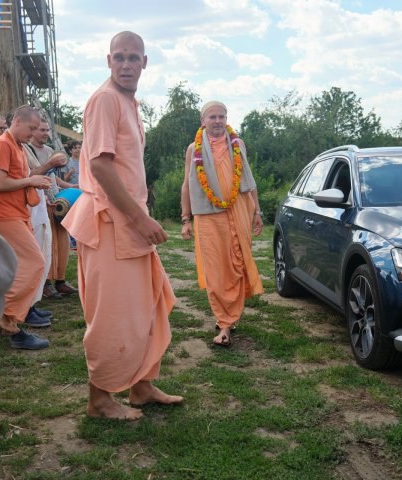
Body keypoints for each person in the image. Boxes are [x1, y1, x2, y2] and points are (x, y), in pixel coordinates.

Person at [62, 31, 183, 420]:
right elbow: (99, 165)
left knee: (150, 305)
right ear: (108, 61)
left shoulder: (129, 102)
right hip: (110, 223)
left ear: (144, 63)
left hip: (127, 223)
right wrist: (140, 217)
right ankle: (99, 400)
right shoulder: (105, 99)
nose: (126, 64)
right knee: (113, 315)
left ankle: (141, 387)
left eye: (133, 58)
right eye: (119, 57)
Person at [181, 101, 264, 347]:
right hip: (208, 215)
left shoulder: (238, 144)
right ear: (203, 121)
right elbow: (187, 184)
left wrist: (257, 212)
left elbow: (249, 181)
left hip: (239, 210)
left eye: (222, 116)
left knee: (236, 264)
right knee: (215, 269)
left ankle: (230, 317)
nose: (218, 121)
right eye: (213, 117)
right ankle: (224, 321)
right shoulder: (193, 149)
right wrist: (186, 218)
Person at [0, 105, 53, 348]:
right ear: (17, 121)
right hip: (2, 215)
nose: (33, 133)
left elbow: (15, 179)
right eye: (31, 128)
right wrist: (30, 180)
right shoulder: (2, 144)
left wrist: (33, 182)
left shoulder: (18, 147)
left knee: (11, 268)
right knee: (35, 263)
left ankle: (7, 321)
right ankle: (6, 317)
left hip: (17, 214)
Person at [26, 119, 78, 298]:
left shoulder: (49, 150)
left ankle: (60, 280)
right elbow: (31, 175)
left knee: (62, 241)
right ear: (33, 131)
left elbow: (54, 177)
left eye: (47, 130)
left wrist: (70, 186)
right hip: (40, 202)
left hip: (57, 201)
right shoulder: (27, 150)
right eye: (42, 130)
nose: (46, 133)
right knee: (46, 243)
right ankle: (46, 283)